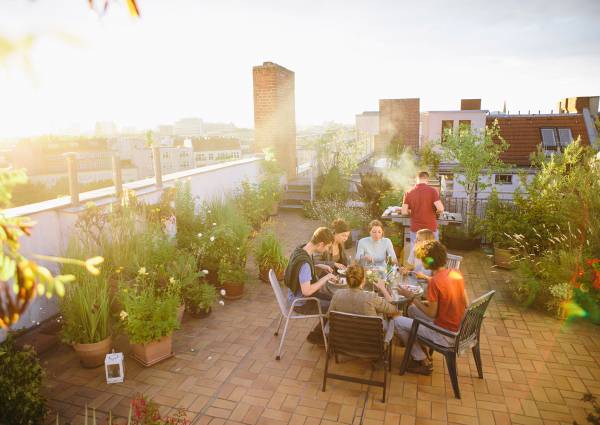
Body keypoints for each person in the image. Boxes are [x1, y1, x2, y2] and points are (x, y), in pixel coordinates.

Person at [393, 240, 468, 375]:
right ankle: (421, 347)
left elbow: (431, 314)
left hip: (444, 334)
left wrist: (411, 297)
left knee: (397, 322)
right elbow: (462, 302)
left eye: (422, 259)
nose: (421, 262)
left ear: (428, 261)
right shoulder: (456, 273)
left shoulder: (435, 282)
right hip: (457, 327)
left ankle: (422, 360)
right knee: (410, 310)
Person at [284, 227, 336, 344]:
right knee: (336, 306)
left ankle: (319, 334)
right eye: (327, 247)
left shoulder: (301, 249)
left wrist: (320, 266)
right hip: (300, 303)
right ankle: (318, 337)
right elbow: (307, 291)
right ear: (321, 244)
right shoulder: (305, 264)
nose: (327, 250)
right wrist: (326, 277)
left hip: (292, 296)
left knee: (334, 298)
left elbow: (303, 267)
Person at [328, 263, 398, 335]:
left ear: (347, 280)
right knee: (387, 319)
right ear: (363, 280)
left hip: (344, 339)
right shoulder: (371, 297)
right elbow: (394, 309)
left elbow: (329, 316)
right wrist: (383, 288)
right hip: (369, 340)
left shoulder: (337, 294)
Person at [401, 171, 444, 253]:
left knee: (416, 254)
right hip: (430, 228)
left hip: (416, 229)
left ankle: (418, 266)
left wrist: (412, 211)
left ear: (416, 179)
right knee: (433, 253)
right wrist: (435, 212)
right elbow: (441, 208)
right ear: (427, 179)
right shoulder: (433, 191)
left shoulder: (409, 192)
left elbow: (404, 212)